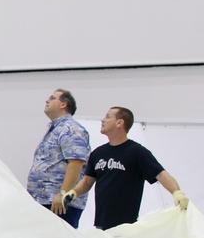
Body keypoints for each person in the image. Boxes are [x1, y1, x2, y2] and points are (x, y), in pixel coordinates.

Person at [61, 106, 189, 230]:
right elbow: (87, 181)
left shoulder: (137, 152)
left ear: (119, 123)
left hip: (126, 226)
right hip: (101, 223)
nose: (102, 120)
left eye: (107, 117)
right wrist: (74, 192)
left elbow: (161, 174)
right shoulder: (98, 153)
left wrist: (176, 193)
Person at [27, 88, 90, 228]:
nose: (47, 100)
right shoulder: (55, 129)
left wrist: (63, 194)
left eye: (52, 98)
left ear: (63, 104)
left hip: (60, 204)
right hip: (44, 200)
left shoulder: (71, 129)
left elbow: (76, 163)